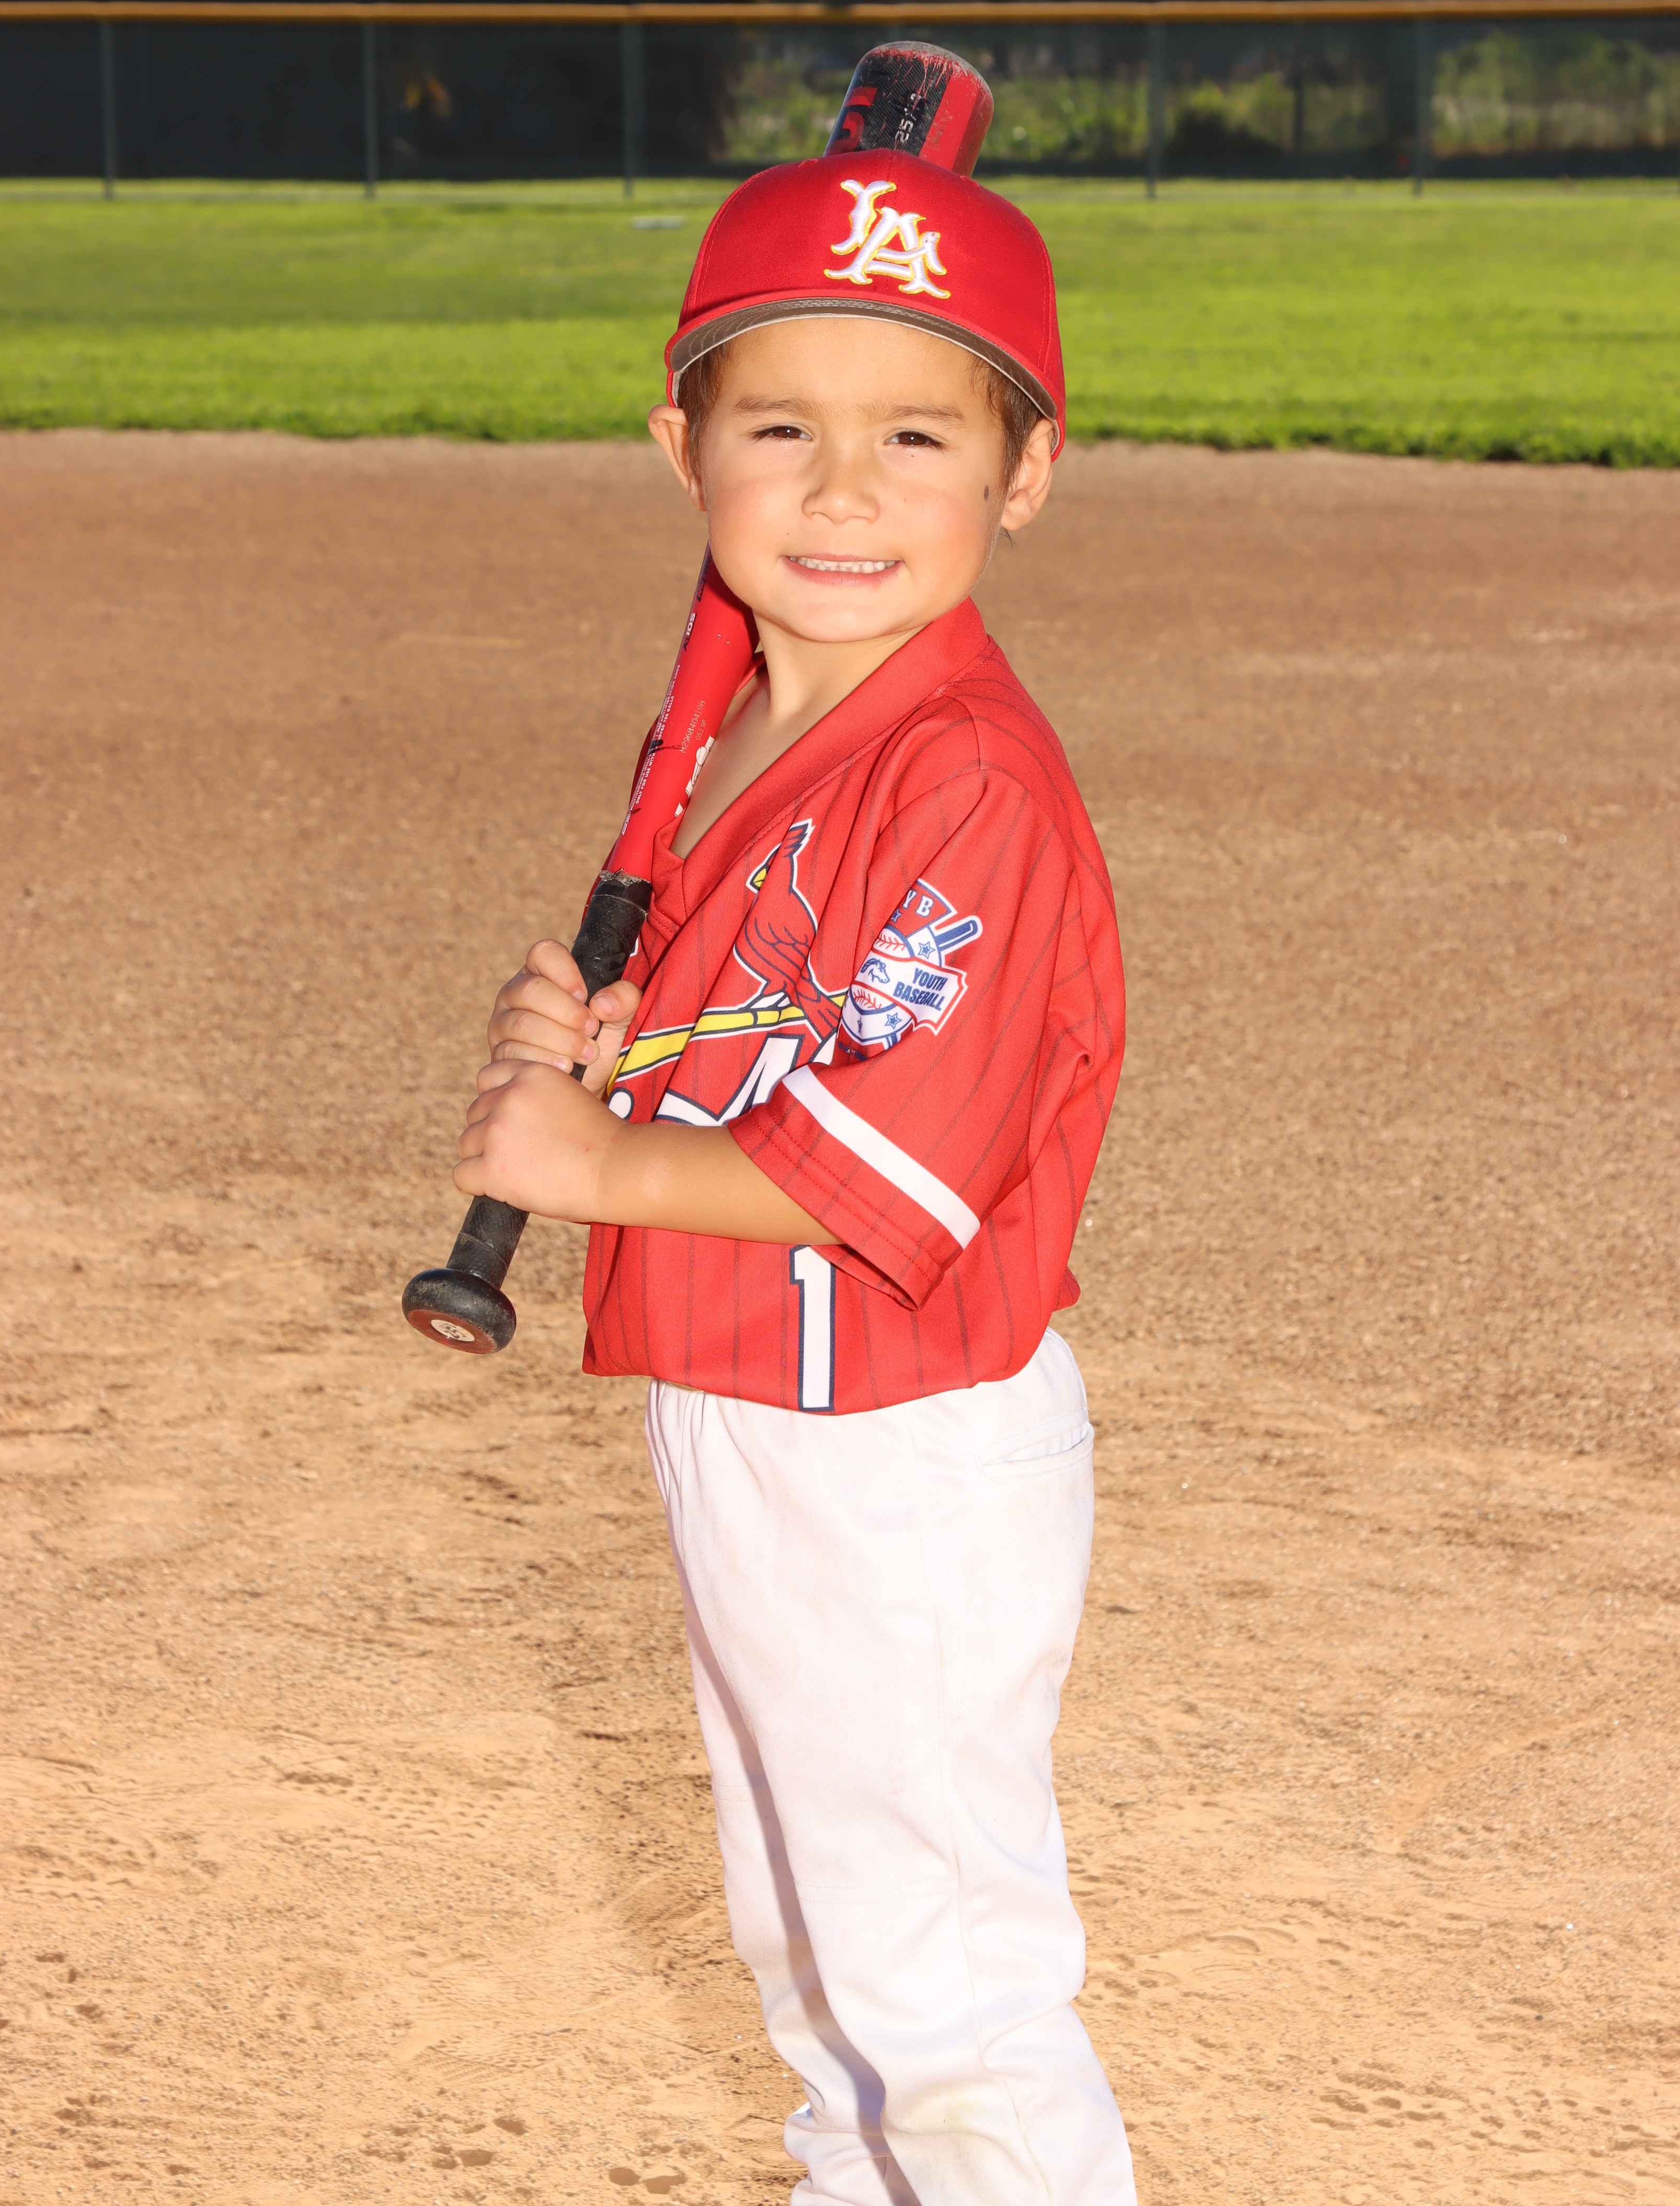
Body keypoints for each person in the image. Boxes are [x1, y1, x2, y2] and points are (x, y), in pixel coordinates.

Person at [453, 148, 1135, 2206]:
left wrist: (596, 1157)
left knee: (937, 1985)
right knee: (817, 1954)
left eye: (914, 435)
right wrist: (616, 1052)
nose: (840, 492)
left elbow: (894, 1166)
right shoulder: (768, 728)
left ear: (1023, 472)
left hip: (892, 1447)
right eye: (779, 431)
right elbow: (767, 1029)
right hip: (764, 1407)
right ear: (685, 448)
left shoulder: (968, 777)